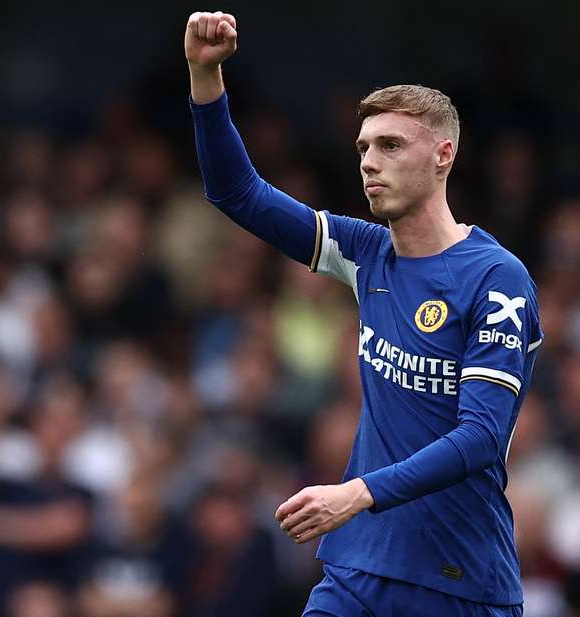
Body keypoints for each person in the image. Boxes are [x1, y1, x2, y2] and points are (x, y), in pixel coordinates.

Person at [185, 11, 542, 617]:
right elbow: (236, 192)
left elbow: (481, 437)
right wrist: (204, 76)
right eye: (363, 148)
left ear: (443, 155)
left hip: (457, 578)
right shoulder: (366, 251)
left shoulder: (495, 279)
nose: (369, 162)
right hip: (357, 567)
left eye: (390, 145)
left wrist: (356, 493)